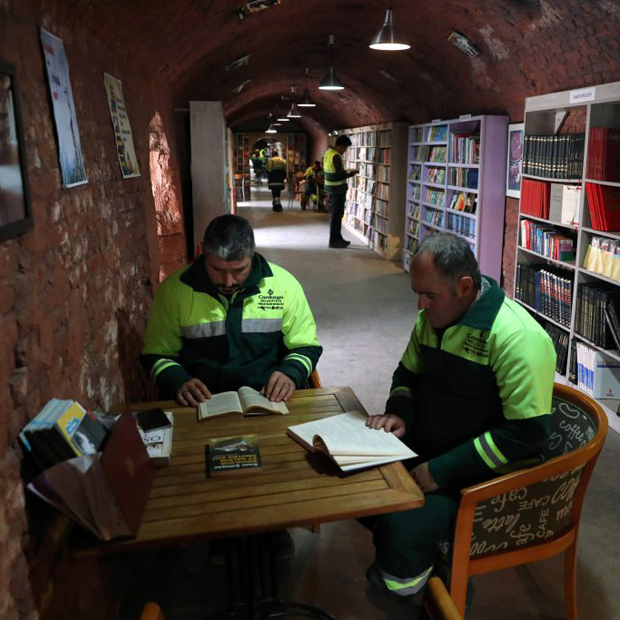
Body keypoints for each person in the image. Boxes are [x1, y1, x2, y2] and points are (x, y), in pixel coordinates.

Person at [364, 232, 556, 615]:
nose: (420, 307)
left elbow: (528, 432)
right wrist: (399, 413)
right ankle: (429, 567)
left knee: (401, 526)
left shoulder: (516, 336)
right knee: (358, 487)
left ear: (465, 287)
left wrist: (442, 470)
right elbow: (407, 374)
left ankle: (415, 595)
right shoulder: (434, 320)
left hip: (483, 477)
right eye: (417, 293)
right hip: (430, 449)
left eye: (429, 296)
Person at [140, 214, 322, 407]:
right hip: (200, 404)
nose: (228, 282)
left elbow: (306, 346)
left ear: (252, 253)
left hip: (268, 400)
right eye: (217, 269)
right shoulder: (174, 291)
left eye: (238, 270)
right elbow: (156, 354)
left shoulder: (284, 286)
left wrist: (290, 372)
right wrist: (177, 380)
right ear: (202, 252)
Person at [323, 135, 358, 248]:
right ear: (339, 146)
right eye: (345, 148)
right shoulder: (336, 156)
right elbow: (339, 175)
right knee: (337, 215)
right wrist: (351, 173)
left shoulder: (328, 153)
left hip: (330, 188)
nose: (345, 150)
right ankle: (334, 240)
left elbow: (333, 171)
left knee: (337, 214)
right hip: (337, 189)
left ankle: (338, 238)